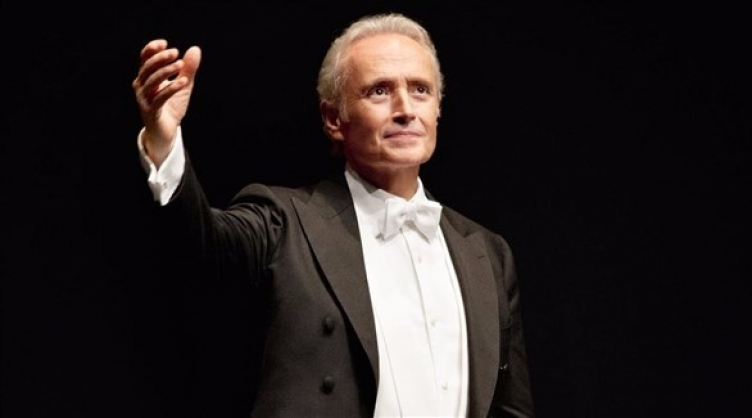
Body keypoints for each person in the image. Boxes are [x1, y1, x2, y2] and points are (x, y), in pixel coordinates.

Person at [132, 12, 534, 417]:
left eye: (420, 90)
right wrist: (164, 142)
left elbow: (511, 407)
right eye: (379, 91)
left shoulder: (487, 252)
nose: (405, 109)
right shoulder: (286, 222)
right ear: (333, 119)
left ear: (437, 109)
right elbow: (201, 248)